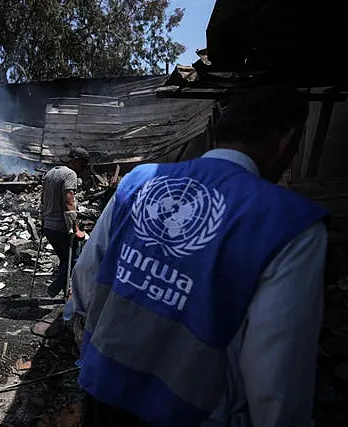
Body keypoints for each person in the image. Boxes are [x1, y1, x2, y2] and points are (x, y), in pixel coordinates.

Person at [70, 86, 328, 427]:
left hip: (104, 389)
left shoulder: (139, 181)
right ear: (287, 140)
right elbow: (275, 383)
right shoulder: (290, 225)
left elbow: (86, 280)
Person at [41, 147, 90, 298]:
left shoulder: (50, 173)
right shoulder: (70, 174)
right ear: (75, 161)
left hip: (48, 225)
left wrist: (42, 221)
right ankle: (54, 288)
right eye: (83, 164)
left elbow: (42, 199)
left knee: (65, 260)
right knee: (76, 259)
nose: (83, 168)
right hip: (60, 227)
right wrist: (76, 229)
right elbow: (69, 203)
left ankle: (65, 291)